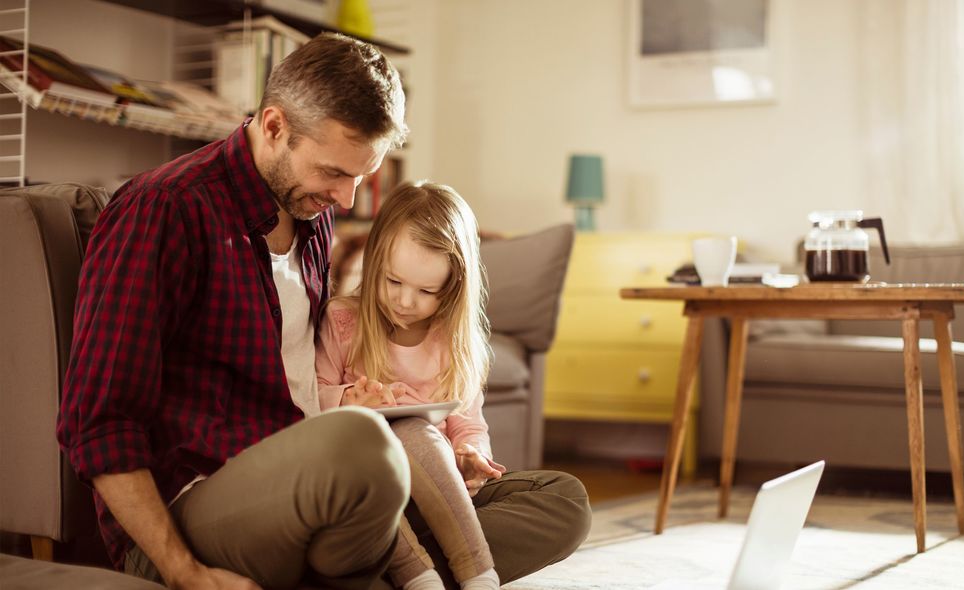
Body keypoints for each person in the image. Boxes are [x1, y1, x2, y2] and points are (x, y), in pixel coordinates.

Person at [56, 31, 590, 590]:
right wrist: (183, 571)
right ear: (273, 126)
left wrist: (448, 455)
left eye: (363, 176)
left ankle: (400, 569)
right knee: (364, 443)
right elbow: (97, 421)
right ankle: (404, 562)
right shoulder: (164, 210)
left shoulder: (311, 213)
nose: (348, 199)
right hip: (198, 506)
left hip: (329, 486)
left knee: (561, 500)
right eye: (335, 172)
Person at [317, 182, 503, 590]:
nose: (405, 302)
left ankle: (479, 574)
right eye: (393, 282)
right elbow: (310, 399)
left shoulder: (455, 345)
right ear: (375, 261)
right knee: (385, 441)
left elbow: (469, 425)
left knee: (566, 501)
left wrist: (473, 457)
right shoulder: (342, 322)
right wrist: (348, 400)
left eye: (426, 291)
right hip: (369, 495)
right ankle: (421, 578)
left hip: (441, 495)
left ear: (453, 289)